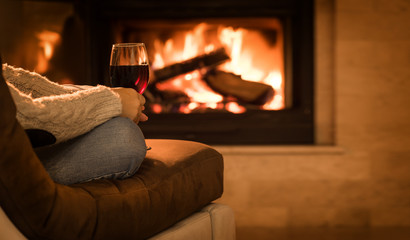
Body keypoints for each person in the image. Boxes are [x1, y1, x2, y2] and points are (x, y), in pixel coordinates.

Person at [2, 63, 148, 185]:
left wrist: (99, 95)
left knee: (83, 90)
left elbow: (6, 79)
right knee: (124, 135)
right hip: (11, 153)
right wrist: (112, 102)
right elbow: (25, 117)